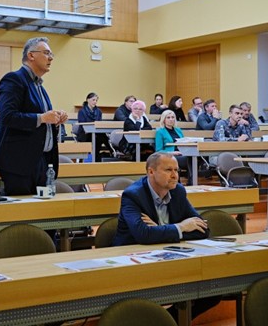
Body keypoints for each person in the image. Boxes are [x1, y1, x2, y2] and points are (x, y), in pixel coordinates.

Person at [112, 152, 217, 320]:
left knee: (213, 288)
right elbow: (143, 235)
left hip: (168, 255)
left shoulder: (178, 191)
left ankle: (169, 320)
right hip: (134, 260)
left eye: (177, 170)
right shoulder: (133, 195)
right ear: (151, 172)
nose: (175, 175)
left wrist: (161, 230)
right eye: (168, 170)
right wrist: (180, 227)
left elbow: (203, 229)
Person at [0, 37, 67, 196]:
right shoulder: (14, 79)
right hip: (19, 163)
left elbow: (41, 119)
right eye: (46, 53)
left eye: (51, 54)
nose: (51, 58)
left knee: (42, 209)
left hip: (42, 160)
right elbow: (7, 116)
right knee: (22, 210)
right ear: (31, 55)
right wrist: (42, 118)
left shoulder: (40, 87)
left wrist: (55, 120)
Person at [155, 110, 191, 181]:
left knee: (195, 157)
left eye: (172, 117)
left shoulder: (178, 130)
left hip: (182, 152)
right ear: (164, 119)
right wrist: (172, 153)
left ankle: (191, 180)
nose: (171, 119)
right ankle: (190, 180)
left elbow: (184, 142)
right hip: (170, 155)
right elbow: (158, 150)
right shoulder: (160, 132)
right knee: (189, 159)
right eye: (168, 117)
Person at [75, 92, 110, 159]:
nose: (95, 102)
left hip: (95, 133)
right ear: (88, 100)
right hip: (85, 133)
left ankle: (106, 153)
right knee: (99, 137)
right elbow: (82, 124)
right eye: (93, 100)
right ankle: (111, 151)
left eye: (96, 100)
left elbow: (99, 123)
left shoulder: (99, 111)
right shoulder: (82, 111)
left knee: (102, 135)